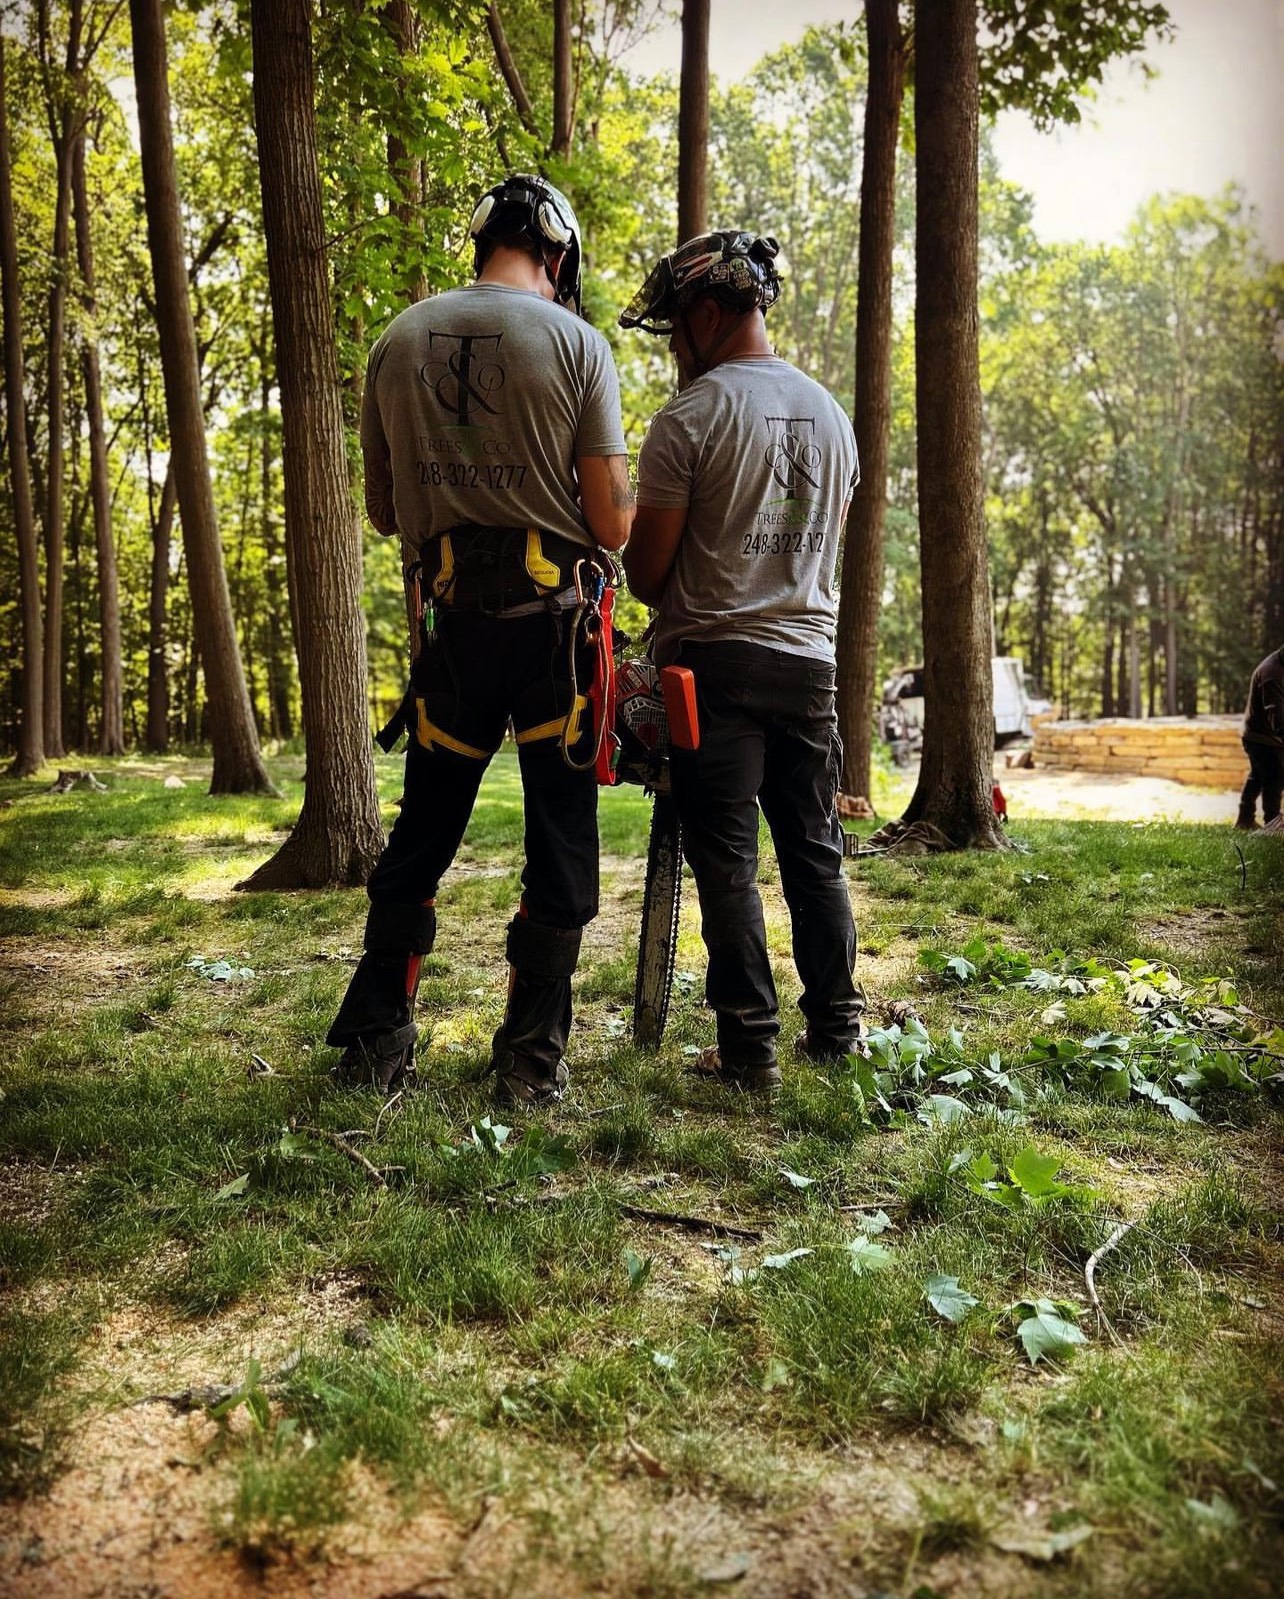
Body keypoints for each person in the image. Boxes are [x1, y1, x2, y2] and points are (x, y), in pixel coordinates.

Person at [328, 174, 633, 1105]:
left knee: (422, 832)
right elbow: (611, 523)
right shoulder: (578, 344)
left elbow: (386, 511)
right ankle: (529, 1059)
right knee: (559, 838)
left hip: (454, 630)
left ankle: (379, 1036)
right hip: (554, 638)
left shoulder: (396, 340)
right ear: (556, 251)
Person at [619, 230, 864, 1092]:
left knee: (725, 859)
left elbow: (647, 574)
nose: (676, 348)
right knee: (813, 852)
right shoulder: (833, 416)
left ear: (713, 314)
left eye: (678, 329)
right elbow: (819, 552)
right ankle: (838, 1029)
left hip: (715, 667)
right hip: (809, 667)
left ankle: (748, 1047)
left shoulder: (689, 419)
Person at [1236, 643, 1284, 830]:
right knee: (1275, 776)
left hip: (1262, 734)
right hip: (1260, 737)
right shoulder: (1272, 674)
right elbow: (1279, 721)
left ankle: (1244, 819)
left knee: (1258, 775)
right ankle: (1272, 825)